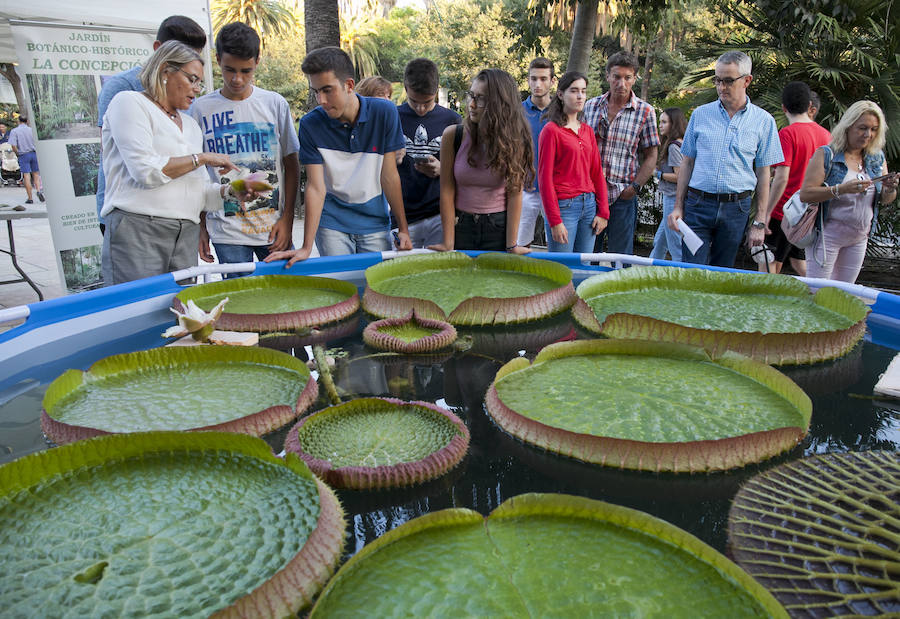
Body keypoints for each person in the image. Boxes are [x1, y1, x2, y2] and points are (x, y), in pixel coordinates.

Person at [100, 41, 242, 285]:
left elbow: (200, 195)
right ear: (165, 71)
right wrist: (203, 158)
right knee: (135, 315)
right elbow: (145, 172)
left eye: (200, 82)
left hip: (185, 234)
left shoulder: (191, 126)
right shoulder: (130, 102)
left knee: (179, 316)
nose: (197, 89)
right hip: (138, 230)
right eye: (192, 79)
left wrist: (231, 192)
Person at [265, 47, 412, 267]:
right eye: (316, 91)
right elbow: (316, 187)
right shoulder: (310, 124)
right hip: (331, 222)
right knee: (341, 287)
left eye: (327, 90)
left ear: (349, 85)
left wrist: (403, 229)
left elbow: (389, 176)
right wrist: (306, 247)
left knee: (374, 289)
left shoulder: (385, 112)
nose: (321, 100)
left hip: (374, 221)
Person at [189, 22, 300, 277]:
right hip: (227, 231)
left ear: (257, 61)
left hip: (273, 227)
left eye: (246, 71)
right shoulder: (199, 109)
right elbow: (196, 176)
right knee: (242, 305)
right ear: (217, 60)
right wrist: (201, 227)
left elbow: (292, 165)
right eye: (229, 70)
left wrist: (288, 219)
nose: (237, 79)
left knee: (288, 296)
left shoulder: (274, 104)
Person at [668, 51, 783, 267]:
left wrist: (759, 220)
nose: (721, 87)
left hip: (736, 208)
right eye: (717, 80)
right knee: (691, 272)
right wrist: (678, 206)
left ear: (746, 80)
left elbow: (764, 173)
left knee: (722, 273)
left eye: (728, 81)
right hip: (698, 204)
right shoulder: (700, 115)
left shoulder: (763, 121)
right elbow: (687, 162)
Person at [96, 16, 207, 232]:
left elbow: (190, 167)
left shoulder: (187, 103)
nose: (195, 87)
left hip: (179, 220)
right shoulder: (124, 91)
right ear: (159, 51)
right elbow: (140, 166)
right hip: (134, 219)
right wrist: (199, 159)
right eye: (181, 55)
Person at [432, 69, 533, 254]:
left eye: (480, 99)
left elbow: (515, 193)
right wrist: (448, 241)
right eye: (471, 95)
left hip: (498, 228)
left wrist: (512, 245)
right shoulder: (453, 135)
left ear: (499, 104)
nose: (471, 104)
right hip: (461, 225)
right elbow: (446, 189)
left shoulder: (515, 141)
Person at [798, 100, 897, 283]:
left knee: (844, 292)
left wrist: (890, 189)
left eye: (874, 129)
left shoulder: (876, 157)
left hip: (859, 236)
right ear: (848, 126)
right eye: (862, 128)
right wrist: (840, 189)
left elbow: (885, 199)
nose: (868, 134)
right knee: (817, 292)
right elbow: (806, 194)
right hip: (827, 235)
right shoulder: (827, 154)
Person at [584, 51, 658, 256]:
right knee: (588, 255)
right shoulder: (590, 106)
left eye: (627, 78)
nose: (621, 83)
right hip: (590, 194)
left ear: (635, 78)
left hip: (622, 195)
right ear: (608, 76)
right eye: (616, 77)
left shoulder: (645, 112)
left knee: (621, 258)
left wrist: (634, 187)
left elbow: (652, 155)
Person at [758, 81, 830, 275]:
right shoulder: (827, 136)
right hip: (810, 212)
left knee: (767, 261)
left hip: (785, 211)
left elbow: (782, 177)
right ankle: (819, 295)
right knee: (799, 261)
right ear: (809, 106)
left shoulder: (787, 134)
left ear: (783, 108)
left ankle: (767, 303)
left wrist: (766, 213)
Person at [537, 71, 608, 253]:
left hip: (589, 206)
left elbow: (596, 173)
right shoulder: (551, 131)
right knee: (561, 271)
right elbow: (544, 179)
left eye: (583, 91)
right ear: (560, 94)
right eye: (574, 91)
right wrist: (554, 220)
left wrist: (603, 212)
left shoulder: (588, 131)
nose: (580, 96)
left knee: (583, 268)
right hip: (564, 207)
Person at [395, 58, 461, 248]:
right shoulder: (392, 116)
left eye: (427, 102)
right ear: (406, 88)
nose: (421, 108)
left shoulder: (452, 119)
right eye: (414, 101)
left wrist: (443, 169)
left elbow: (466, 169)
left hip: (439, 214)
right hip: (402, 216)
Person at [518, 57, 556, 248]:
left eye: (543, 79)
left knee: (557, 245)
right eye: (533, 79)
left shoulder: (562, 112)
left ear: (552, 81)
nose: (537, 84)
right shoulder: (517, 112)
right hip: (525, 188)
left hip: (556, 190)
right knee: (519, 244)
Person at [649, 107, 686, 261]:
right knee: (660, 241)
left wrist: (658, 174)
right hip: (676, 197)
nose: (660, 125)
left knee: (674, 243)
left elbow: (679, 176)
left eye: (664, 122)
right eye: (660, 122)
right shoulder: (682, 143)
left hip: (672, 198)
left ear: (674, 124)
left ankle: (683, 274)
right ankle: (650, 273)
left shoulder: (673, 146)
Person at [7, 116, 43, 204]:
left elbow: (13, 145)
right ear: (27, 121)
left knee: (26, 175)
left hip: (23, 154)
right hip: (34, 153)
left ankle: (30, 198)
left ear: (18, 121)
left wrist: (17, 153)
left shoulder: (14, 131)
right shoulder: (32, 130)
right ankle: (38, 190)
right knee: (36, 174)